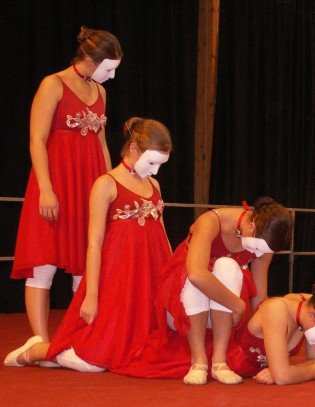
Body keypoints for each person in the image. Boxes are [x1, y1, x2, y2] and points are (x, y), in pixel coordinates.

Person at [4, 118, 173, 371]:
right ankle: (37, 350)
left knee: (145, 350)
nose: (156, 171)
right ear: (133, 148)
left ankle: (56, 353)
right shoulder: (106, 184)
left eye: (160, 164)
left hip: (149, 278)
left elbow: (163, 235)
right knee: (95, 361)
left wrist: (171, 278)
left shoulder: (154, 185)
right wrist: (91, 295)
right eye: (152, 162)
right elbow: (94, 243)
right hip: (119, 282)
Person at [11, 27, 123, 344]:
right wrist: (46, 188)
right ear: (90, 60)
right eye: (109, 69)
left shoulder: (101, 93)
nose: (112, 76)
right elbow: (37, 139)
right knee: (43, 261)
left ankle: (77, 338)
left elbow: (101, 144)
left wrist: (111, 187)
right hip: (55, 180)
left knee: (84, 262)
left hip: (89, 183)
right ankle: (39, 340)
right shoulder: (53, 84)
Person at [112, 197, 293, 385]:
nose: (258, 254)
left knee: (227, 265)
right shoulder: (211, 222)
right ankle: (198, 361)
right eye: (256, 248)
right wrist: (237, 305)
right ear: (251, 225)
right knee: (198, 274)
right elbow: (196, 275)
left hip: (222, 316)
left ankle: (219, 362)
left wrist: (269, 339)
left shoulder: (264, 243)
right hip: (184, 308)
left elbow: (260, 297)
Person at [117, 285, 315, 386]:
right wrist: (312, 370)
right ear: (312, 314)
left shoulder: (312, 306)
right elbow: (296, 373)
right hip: (225, 360)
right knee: (148, 359)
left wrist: (292, 370)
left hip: (246, 369)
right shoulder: (278, 310)